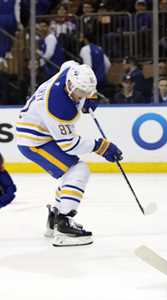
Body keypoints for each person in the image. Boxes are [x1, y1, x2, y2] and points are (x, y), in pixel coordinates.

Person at [15, 61, 123, 247]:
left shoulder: (71, 71)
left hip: (42, 134)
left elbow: (70, 64)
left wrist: (87, 98)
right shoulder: (57, 106)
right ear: (70, 85)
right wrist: (102, 147)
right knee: (78, 171)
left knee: (71, 173)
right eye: (80, 92)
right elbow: (70, 145)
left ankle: (55, 217)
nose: (81, 95)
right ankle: (64, 224)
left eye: (86, 92)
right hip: (34, 141)